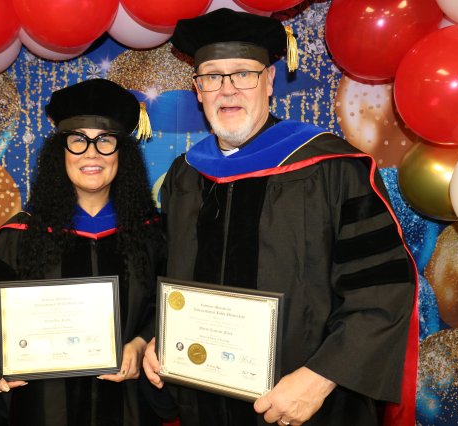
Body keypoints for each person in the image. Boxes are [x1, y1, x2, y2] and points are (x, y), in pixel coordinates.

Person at [143, 8, 418, 426]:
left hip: (308, 407)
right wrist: (160, 335)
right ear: (198, 90)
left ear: (269, 81)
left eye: (243, 74)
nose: (227, 90)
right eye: (212, 77)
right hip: (204, 403)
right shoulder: (185, 176)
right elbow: (169, 275)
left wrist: (321, 378)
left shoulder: (331, 168)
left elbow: (381, 289)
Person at [0, 79, 170, 426]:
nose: (91, 153)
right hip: (43, 409)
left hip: (128, 409)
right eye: (78, 140)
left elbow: (170, 308)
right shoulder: (22, 237)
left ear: (122, 153)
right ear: (60, 152)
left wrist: (141, 342)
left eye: (105, 140)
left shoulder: (151, 235)